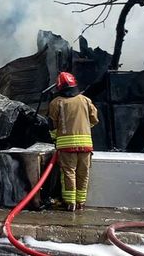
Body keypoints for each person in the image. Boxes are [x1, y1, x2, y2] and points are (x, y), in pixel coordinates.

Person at [48, 71, 98, 212]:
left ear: (59, 87)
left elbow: (52, 124)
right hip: (86, 145)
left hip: (66, 146)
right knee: (83, 173)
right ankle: (81, 202)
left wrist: (54, 138)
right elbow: (94, 119)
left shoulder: (56, 103)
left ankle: (70, 203)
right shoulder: (85, 100)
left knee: (69, 173)